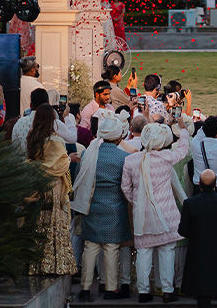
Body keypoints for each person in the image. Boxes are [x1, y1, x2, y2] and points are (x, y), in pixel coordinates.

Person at [121, 118, 193, 303]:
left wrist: (137, 201)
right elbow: (184, 149)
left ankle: (144, 292)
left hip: (142, 215)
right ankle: (168, 290)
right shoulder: (166, 158)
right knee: (167, 252)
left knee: (144, 253)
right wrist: (183, 129)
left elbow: (125, 188)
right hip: (166, 214)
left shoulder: (130, 160)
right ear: (162, 142)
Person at [72, 112, 133, 301]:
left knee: (90, 247)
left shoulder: (88, 154)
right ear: (119, 136)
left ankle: (84, 288)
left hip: (92, 206)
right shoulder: (124, 157)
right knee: (111, 248)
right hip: (115, 208)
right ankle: (111, 288)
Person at [26, 104, 77, 276]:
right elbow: (60, 164)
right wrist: (70, 159)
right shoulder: (56, 141)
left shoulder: (32, 138)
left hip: (36, 184)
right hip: (54, 186)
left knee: (39, 222)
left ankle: (36, 265)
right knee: (55, 223)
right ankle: (56, 264)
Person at [179, 169, 217, 308]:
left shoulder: (190, 203)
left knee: (203, 293)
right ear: (216, 184)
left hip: (198, 252)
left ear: (199, 183)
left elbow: (183, 230)